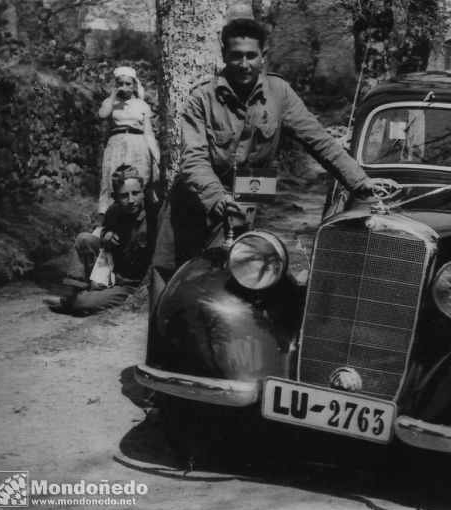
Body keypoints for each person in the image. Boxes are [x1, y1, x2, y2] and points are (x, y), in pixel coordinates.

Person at [149, 18, 398, 305]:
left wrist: (360, 181)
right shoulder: (201, 98)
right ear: (223, 55)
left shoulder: (279, 93)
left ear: (263, 57)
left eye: (251, 56)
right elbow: (193, 159)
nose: (244, 64)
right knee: (169, 281)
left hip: (250, 190)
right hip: (195, 198)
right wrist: (217, 197)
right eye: (236, 55)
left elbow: (319, 141)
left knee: (234, 280)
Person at [44, 165, 157, 315]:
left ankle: (74, 302)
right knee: (83, 239)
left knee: (81, 303)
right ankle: (78, 291)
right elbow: (101, 230)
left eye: (135, 193)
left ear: (143, 193)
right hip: (110, 272)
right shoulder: (114, 212)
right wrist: (105, 234)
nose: (131, 200)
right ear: (116, 196)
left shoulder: (153, 216)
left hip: (128, 286)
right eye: (124, 195)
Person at [98, 66, 160, 216]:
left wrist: (156, 156)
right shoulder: (111, 102)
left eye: (128, 83)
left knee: (139, 179)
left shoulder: (142, 104)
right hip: (116, 143)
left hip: (138, 144)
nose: (124, 87)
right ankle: (110, 218)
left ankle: (139, 220)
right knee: (112, 180)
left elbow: (149, 133)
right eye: (120, 83)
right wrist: (114, 94)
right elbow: (102, 114)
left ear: (134, 85)